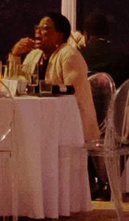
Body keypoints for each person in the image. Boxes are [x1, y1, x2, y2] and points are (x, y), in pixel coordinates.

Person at [34, 11, 96, 148]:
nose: (38, 32)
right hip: (45, 121)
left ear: (59, 36)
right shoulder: (35, 56)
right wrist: (14, 55)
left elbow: (72, 97)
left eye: (45, 28)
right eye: (37, 28)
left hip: (72, 127)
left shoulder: (69, 55)